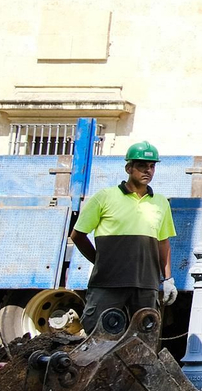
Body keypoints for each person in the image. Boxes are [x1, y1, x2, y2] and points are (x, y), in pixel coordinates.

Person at [69, 141, 178, 334]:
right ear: (129, 168)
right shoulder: (105, 197)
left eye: (152, 166)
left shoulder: (161, 202)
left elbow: (163, 243)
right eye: (142, 166)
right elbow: (78, 235)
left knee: (144, 340)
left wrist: (168, 279)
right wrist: (98, 260)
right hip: (108, 283)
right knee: (99, 337)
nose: (148, 170)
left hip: (146, 285)